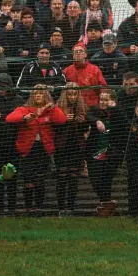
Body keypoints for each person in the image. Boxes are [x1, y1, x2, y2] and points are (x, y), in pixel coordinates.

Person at [6, 85, 67, 212]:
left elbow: (61, 120)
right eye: (35, 94)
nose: (38, 96)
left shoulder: (51, 110)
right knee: (28, 179)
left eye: (41, 94)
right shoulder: (24, 109)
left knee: (40, 179)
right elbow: (9, 118)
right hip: (27, 150)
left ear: (46, 96)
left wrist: (53, 108)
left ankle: (38, 207)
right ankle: (29, 208)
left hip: (43, 149)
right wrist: (24, 118)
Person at [86, 89, 128, 216]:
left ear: (113, 101)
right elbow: (89, 116)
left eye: (106, 99)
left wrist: (113, 108)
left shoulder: (119, 111)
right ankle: (108, 202)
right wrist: (97, 121)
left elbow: (124, 124)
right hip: (95, 151)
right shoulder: (95, 110)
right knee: (94, 179)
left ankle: (105, 206)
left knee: (106, 179)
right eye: (101, 100)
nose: (103, 102)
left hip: (113, 152)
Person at [0, 73, 24, 214]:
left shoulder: (18, 101)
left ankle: (12, 208)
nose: (1, 89)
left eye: (3, 86)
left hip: (13, 146)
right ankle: (0, 207)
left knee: (12, 177)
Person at [55, 83, 88, 216]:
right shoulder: (58, 107)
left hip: (76, 147)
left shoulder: (82, 107)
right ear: (65, 94)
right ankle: (61, 208)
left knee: (74, 177)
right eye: (70, 94)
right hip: (61, 148)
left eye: (75, 94)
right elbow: (53, 128)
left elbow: (86, 130)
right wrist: (62, 120)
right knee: (62, 177)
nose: (72, 97)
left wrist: (82, 122)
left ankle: (71, 207)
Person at [63, 42, 107, 107]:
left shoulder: (95, 69)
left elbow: (103, 87)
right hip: (73, 105)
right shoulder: (67, 70)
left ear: (85, 54)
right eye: (76, 52)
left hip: (92, 106)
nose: (78, 53)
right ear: (73, 55)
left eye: (81, 51)